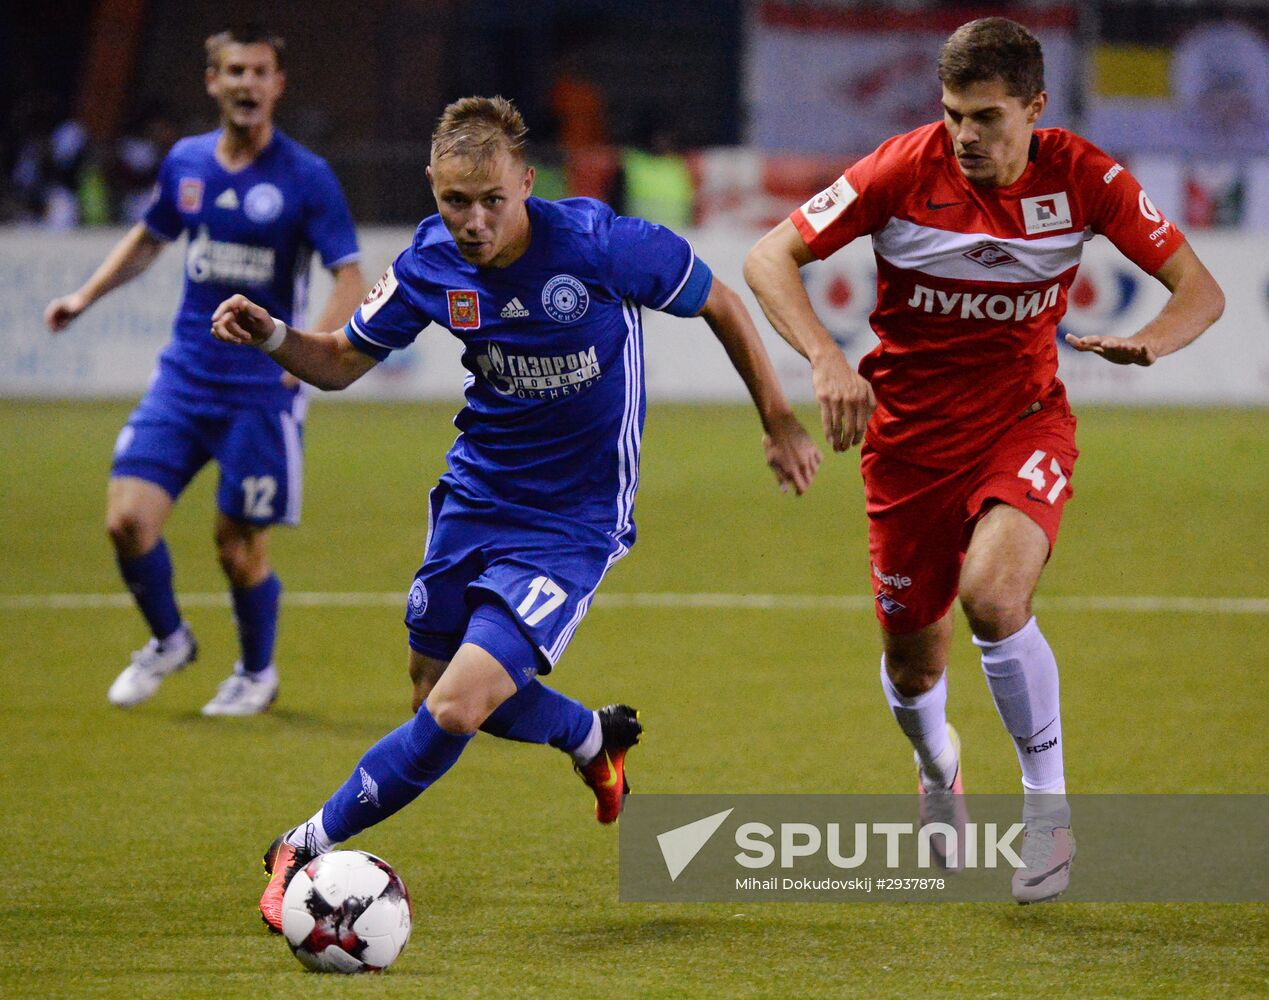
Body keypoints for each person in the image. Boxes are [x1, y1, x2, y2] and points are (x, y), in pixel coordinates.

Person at [210, 95, 821, 931]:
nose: (472, 220)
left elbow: (720, 302)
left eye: (491, 200)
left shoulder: (602, 245)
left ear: (526, 183)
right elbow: (345, 361)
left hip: (572, 521)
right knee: (429, 688)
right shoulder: (430, 262)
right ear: (432, 188)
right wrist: (276, 333)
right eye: (454, 201)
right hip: (474, 497)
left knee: (456, 708)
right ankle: (585, 736)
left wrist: (777, 419)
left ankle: (302, 844)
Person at [744, 17, 1223, 903]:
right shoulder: (899, 169)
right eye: (954, 113)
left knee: (994, 599)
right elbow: (770, 255)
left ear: (1034, 108)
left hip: (1023, 421)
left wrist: (1151, 343)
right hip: (908, 448)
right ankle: (938, 768)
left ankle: (1048, 818)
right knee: (912, 666)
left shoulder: (1085, 177)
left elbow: (1200, 288)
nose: (965, 135)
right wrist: (824, 356)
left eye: (987, 117)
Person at [44, 27, 366, 715]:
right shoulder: (187, 163)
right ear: (212, 83)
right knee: (127, 522)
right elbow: (148, 238)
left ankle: (256, 672)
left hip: (260, 390)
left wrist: (306, 355)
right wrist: (83, 297)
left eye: (260, 71)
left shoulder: (306, 177)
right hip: (183, 379)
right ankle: (169, 639)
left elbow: (349, 275)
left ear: (278, 83)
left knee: (236, 547)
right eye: (234, 71)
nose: (247, 83)